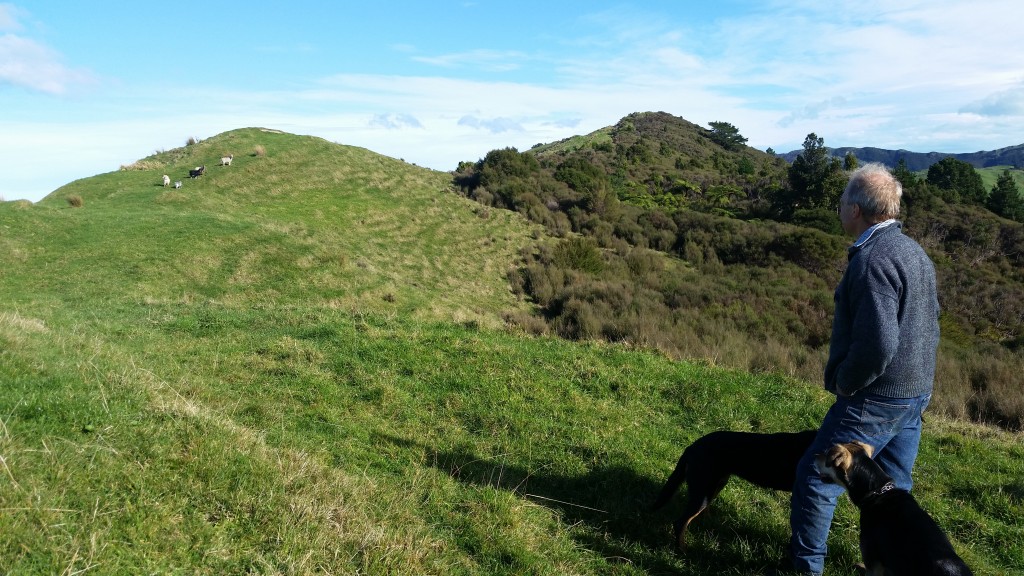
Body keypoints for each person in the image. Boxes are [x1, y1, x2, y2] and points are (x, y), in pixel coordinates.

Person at [786, 163, 941, 575]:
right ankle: (892, 563)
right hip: (913, 393)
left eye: (841, 202)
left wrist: (846, 382)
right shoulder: (914, 251)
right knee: (891, 489)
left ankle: (804, 569)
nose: (838, 208)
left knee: (816, 477)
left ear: (855, 209)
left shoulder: (872, 260)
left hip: (876, 396)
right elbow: (931, 319)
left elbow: (878, 344)